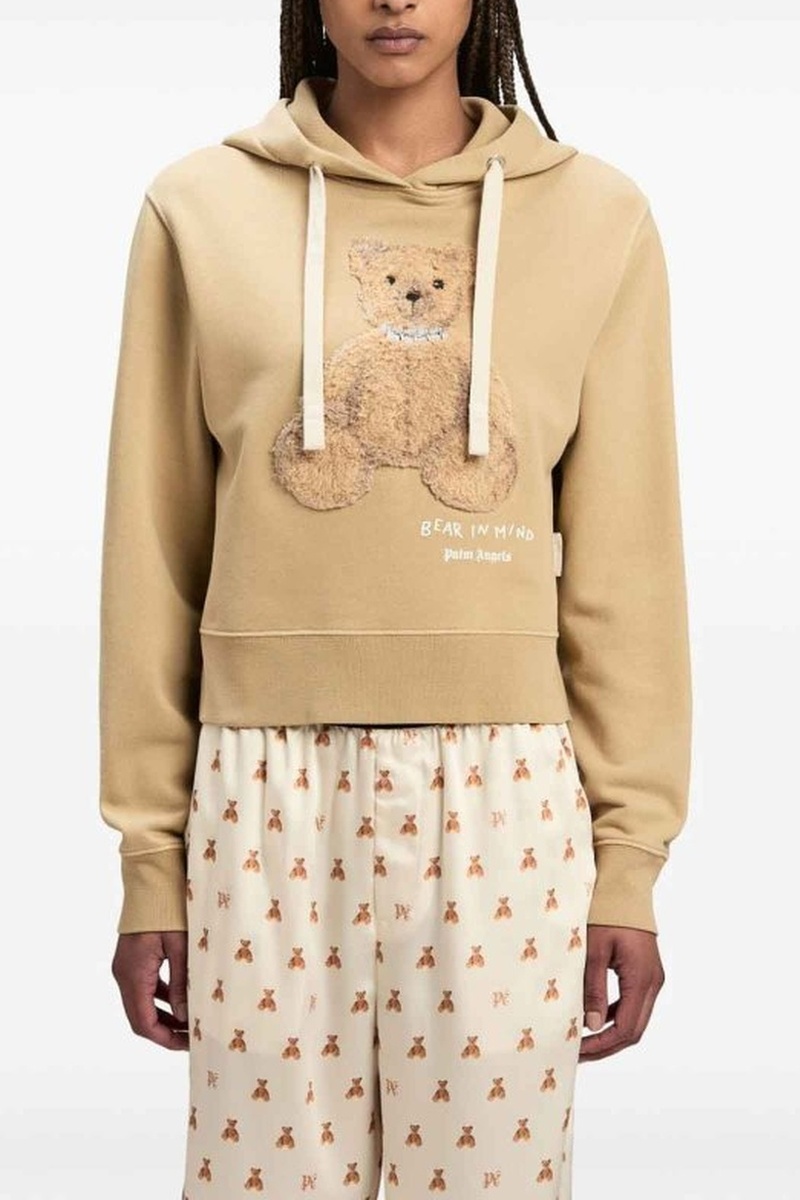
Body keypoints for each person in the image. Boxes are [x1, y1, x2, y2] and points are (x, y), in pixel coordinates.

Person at [98, 2, 692, 1197]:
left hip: (508, 794)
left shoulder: (597, 217)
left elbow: (626, 569)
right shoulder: (197, 207)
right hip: (260, 786)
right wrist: (149, 861)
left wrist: (628, 860)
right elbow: (152, 551)